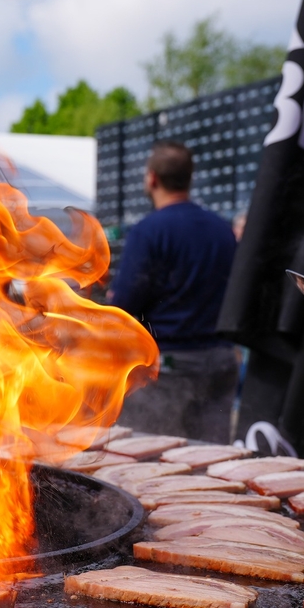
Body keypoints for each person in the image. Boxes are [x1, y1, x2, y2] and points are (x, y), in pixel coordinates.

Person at [109, 141, 238, 443]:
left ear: (152, 178)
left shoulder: (148, 231)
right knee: (213, 461)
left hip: (167, 370)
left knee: (149, 459)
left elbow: (126, 304)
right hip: (221, 362)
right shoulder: (222, 229)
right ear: (189, 178)